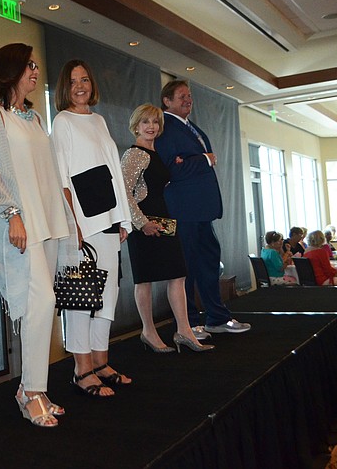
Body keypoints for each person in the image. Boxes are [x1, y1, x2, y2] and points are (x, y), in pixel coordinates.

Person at [0, 43, 69, 427]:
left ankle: (34, 388)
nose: (35, 72)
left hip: (46, 223)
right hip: (20, 227)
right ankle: (30, 391)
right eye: (29, 65)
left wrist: (67, 219)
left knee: (40, 307)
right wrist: (13, 213)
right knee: (41, 301)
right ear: (10, 70)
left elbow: (49, 174)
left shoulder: (33, 119)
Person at [51, 59, 134, 396]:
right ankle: (82, 369)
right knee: (81, 298)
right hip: (84, 222)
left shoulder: (99, 120)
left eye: (85, 79)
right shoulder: (63, 121)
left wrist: (123, 218)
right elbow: (62, 177)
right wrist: (75, 227)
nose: (80, 86)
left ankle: (101, 362)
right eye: (73, 81)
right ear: (64, 88)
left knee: (107, 296)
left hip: (110, 218)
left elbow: (113, 170)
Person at [154, 80, 251, 338]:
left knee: (208, 264)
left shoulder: (190, 127)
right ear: (167, 101)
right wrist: (204, 160)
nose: (188, 100)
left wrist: (192, 160)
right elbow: (172, 168)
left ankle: (217, 317)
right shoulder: (164, 128)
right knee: (184, 269)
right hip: (182, 210)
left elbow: (183, 164)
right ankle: (188, 325)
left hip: (202, 211)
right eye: (182, 96)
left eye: (190, 96)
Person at [120, 104, 213, 353]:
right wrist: (142, 223)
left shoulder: (157, 151)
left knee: (178, 275)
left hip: (164, 220)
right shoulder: (134, 154)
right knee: (145, 280)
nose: (151, 126)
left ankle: (184, 330)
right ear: (136, 125)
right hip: (144, 224)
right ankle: (148, 332)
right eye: (145, 122)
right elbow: (124, 194)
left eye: (155, 122)